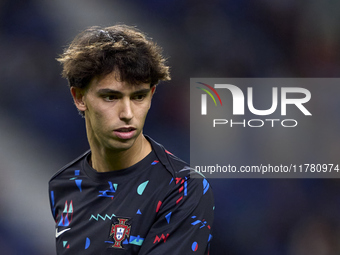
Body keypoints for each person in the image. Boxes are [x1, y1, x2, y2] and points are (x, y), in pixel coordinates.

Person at [49, 25, 214, 255]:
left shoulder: (183, 188)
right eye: (111, 97)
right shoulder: (63, 185)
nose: (127, 112)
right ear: (79, 98)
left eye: (138, 96)